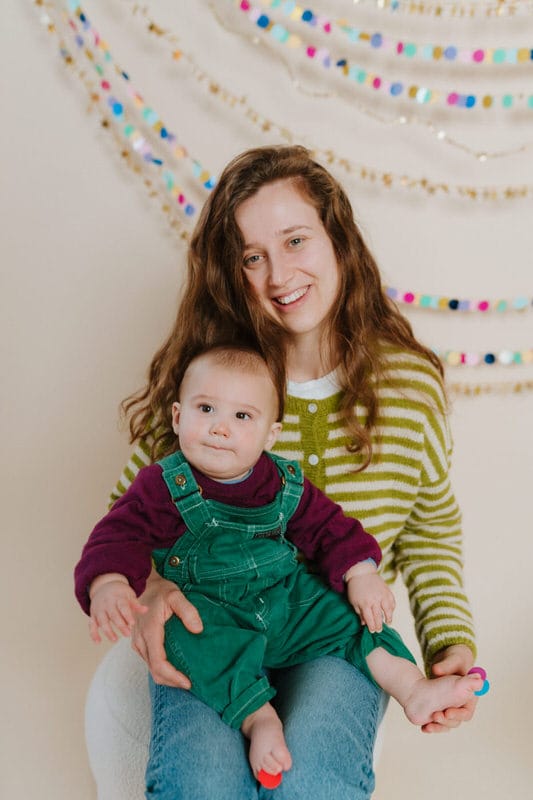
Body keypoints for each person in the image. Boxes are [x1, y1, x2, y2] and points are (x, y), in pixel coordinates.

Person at [84, 144, 478, 800]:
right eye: (250, 256)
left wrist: (447, 640)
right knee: (199, 784)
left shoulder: (409, 387)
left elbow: (429, 529)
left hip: (333, 639)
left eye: (295, 240)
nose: (277, 275)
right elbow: (130, 515)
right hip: (211, 633)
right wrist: (148, 590)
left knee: (312, 783)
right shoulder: (211, 389)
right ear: (230, 272)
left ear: (337, 241)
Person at [75, 345, 482, 786]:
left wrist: (361, 572)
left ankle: (412, 688)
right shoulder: (160, 484)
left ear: (271, 434)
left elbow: (331, 528)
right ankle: (256, 716)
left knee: (355, 621)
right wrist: (111, 582)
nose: (219, 428)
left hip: (283, 603)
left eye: (242, 417)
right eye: (206, 408)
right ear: (177, 417)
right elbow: (120, 532)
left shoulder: (283, 481)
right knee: (188, 639)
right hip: (212, 613)